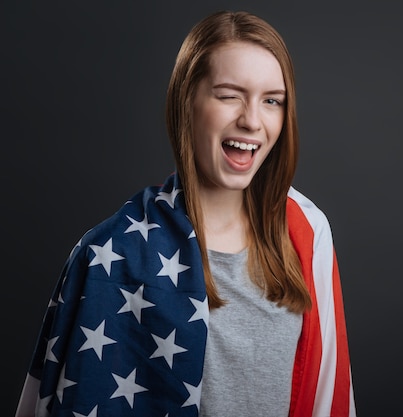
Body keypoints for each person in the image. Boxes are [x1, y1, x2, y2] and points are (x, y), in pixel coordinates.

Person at [15, 10, 356, 417]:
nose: (251, 120)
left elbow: (327, 394)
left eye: (271, 101)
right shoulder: (108, 252)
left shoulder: (307, 231)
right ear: (187, 101)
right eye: (229, 95)